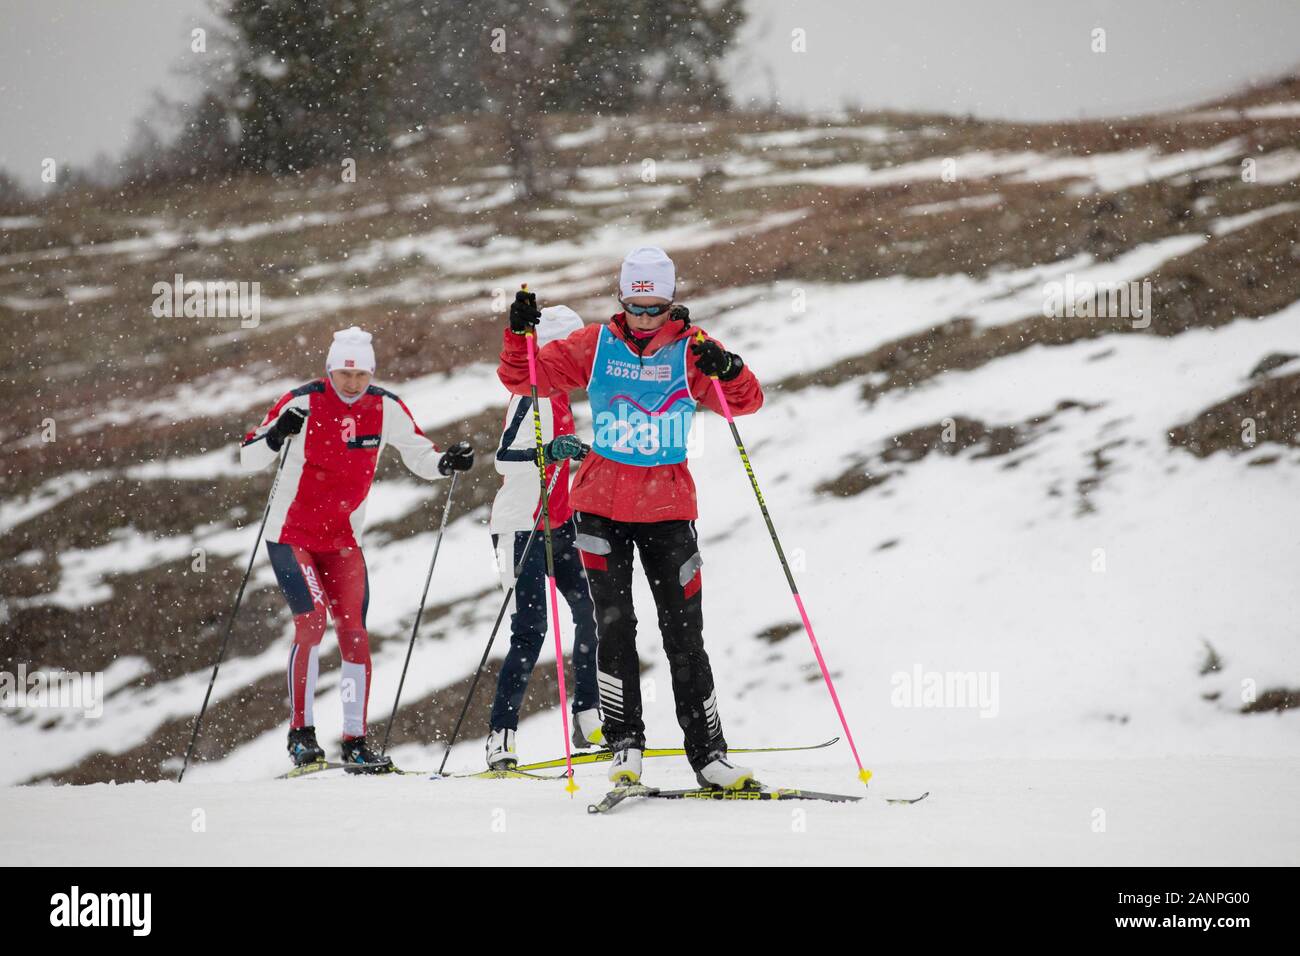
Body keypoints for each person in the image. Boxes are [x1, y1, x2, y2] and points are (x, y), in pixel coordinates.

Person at [496, 247, 764, 790]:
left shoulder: (694, 349)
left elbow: (746, 402)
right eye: (636, 308)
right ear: (622, 301)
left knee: (684, 635)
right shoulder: (594, 345)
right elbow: (524, 380)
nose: (645, 319)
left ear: (671, 303)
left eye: (655, 308)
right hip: (599, 507)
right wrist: (517, 335)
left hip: (668, 509)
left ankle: (709, 754)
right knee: (614, 627)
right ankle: (624, 747)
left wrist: (730, 369)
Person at [240, 326, 474, 772]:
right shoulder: (303, 401)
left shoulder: (384, 407)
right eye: (344, 373)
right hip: (291, 535)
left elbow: (419, 453)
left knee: (355, 635)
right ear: (330, 370)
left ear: (371, 372)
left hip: (343, 541)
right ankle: (301, 735)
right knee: (311, 623)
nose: (352, 383)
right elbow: (248, 456)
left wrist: (446, 464)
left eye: (361, 373)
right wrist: (275, 435)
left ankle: (355, 740)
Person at [485, 306, 601, 769]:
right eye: (570, 349)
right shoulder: (529, 394)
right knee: (530, 632)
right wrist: (551, 452)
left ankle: (589, 718)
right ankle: (501, 736)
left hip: (559, 522)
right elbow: (504, 459)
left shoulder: (562, 398)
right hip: (520, 526)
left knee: (591, 612)